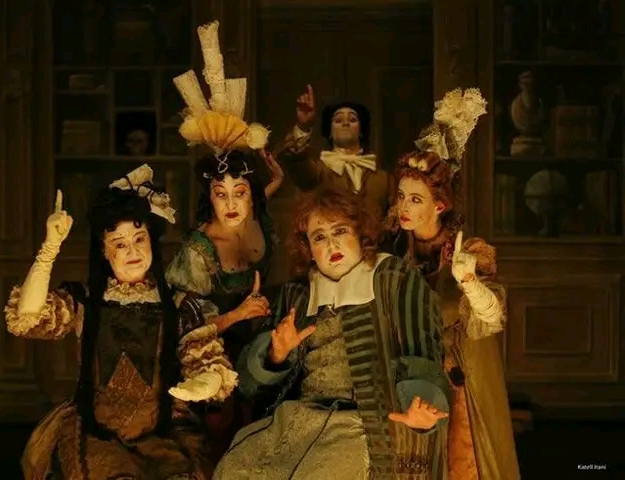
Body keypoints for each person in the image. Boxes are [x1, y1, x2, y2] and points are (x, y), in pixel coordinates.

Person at [4, 164, 238, 480]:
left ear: (151, 241)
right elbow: (27, 316)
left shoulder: (178, 304)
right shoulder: (86, 301)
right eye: (119, 243)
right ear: (105, 251)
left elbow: (206, 358)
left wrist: (206, 381)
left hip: (162, 431)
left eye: (139, 239)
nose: (132, 251)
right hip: (98, 433)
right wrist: (50, 248)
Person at [213, 187, 450, 480]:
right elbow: (250, 387)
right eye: (319, 237)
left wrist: (422, 404)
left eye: (340, 231)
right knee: (235, 468)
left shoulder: (394, 279)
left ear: (360, 233)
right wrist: (276, 355)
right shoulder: (297, 294)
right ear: (308, 249)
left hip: (363, 422)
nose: (331, 244)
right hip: (300, 418)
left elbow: (422, 353)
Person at [387, 87, 520, 479]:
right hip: (409, 376)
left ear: (439, 205)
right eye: (401, 196)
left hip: (459, 382)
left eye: (415, 199)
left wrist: (468, 281)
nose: (403, 207)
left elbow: (491, 316)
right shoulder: (393, 251)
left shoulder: (469, 252)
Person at [166, 20, 283, 465]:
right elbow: (184, 327)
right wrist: (238, 314)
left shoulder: (259, 219)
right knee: (221, 433)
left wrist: (275, 178)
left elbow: (263, 199)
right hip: (212, 352)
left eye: (240, 193)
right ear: (209, 197)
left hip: (260, 338)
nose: (231, 204)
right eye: (221, 194)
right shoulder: (199, 250)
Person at [276, 84, 395, 223]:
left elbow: (396, 218)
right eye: (338, 120)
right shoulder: (318, 172)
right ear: (330, 133)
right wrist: (303, 126)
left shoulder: (384, 179)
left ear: (361, 131)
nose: (345, 123)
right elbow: (294, 159)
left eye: (352, 119)